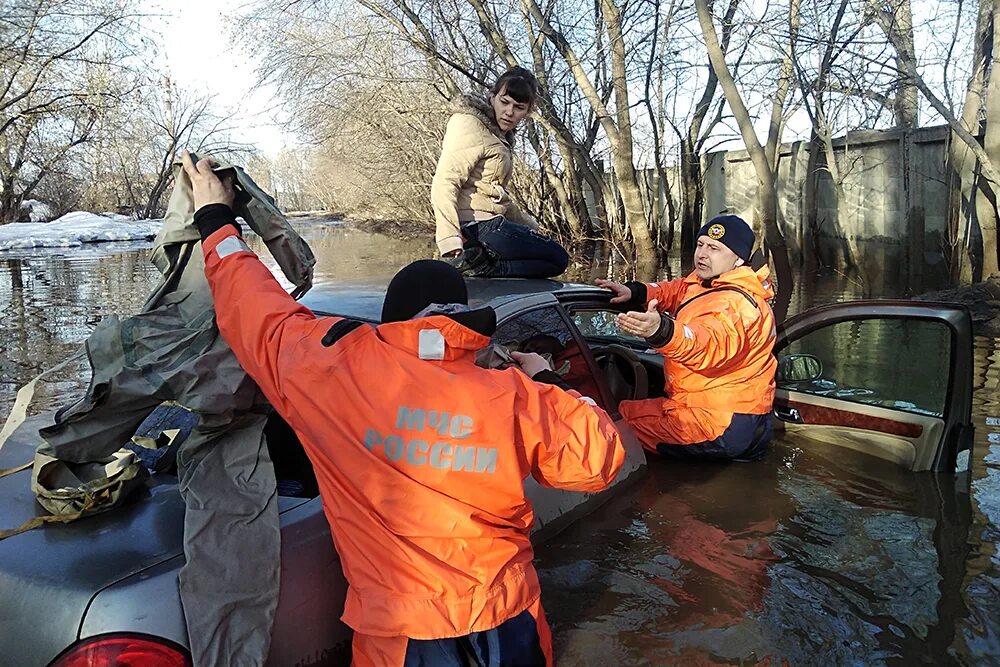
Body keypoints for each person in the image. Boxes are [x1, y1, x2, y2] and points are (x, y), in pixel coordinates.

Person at [181, 151, 625, 666]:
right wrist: (546, 378)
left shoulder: (332, 370)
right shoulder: (514, 396)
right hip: (507, 620)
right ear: (464, 321)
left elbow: (255, 310)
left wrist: (216, 221)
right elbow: (599, 460)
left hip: (402, 634)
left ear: (391, 320)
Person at [596, 214, 777, 462]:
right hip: (735, 416)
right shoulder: (708, 283)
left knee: (612, 422)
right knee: (626, 412)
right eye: (701, 244)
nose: (702, 254)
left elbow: (707, 345)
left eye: (714, 248)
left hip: (719, 422)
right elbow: (678, 290)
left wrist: (661, 331)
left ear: (738, 259)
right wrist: (636, 292)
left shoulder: (734, 305)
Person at [432, 66, 569, 278]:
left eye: (519, 107)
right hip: (477, 227)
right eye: (504, 102)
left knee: (552, 257)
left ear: (528, 110)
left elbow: (496, 197)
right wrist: (449, 238)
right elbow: (445, 181)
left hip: (491, 225)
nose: (509, 112)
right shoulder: (469, 123)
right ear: (492, 96)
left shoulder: (499, 136)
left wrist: (531, 227)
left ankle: (483, 266)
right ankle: (483, 268)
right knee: (557, 258)